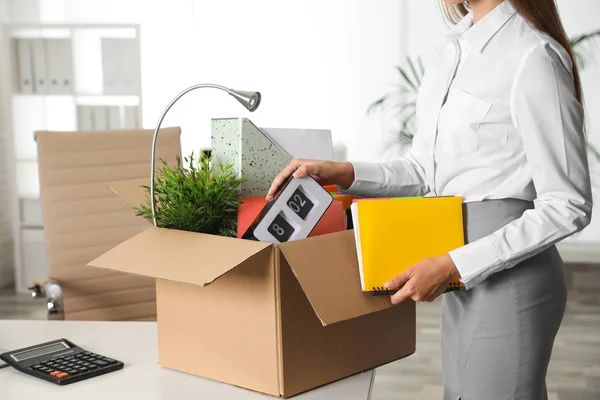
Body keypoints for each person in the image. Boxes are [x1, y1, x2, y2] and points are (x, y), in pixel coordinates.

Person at [266, 1, 593, 399]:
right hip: (459, 267)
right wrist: (344, 173)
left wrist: (454, 264)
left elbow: (568, 205)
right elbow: (424, 171)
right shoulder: (452, 51)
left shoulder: (532, 56)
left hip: (509, 279)